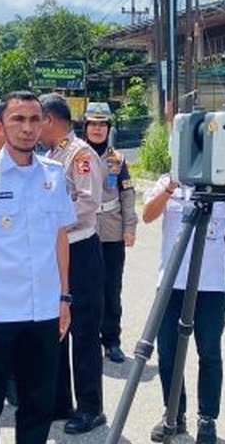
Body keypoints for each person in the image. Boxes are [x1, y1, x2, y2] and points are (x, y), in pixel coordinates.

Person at [0, 91, 74, 444]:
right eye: (18, 119)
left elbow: (60, 237)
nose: (27, 128)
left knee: (38, 405)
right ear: (1, 124)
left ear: (43, 124)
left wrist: (64, 297)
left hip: (44, 310)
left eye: (34, 119)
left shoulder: (54, 174)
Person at [143, 173, 225, 444]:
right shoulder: (168, 181)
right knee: (168, 353)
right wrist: (170, 188)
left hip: (211, 287)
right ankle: (174, 413)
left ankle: (207, 417)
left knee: (210, 353)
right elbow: (147, 215)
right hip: (171, 283)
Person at [38, 93, 107, 435]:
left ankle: (91, 407)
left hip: (80, 251)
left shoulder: (80, 154)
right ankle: (60, 401)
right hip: (56, 252)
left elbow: (88, 202)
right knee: (58, 327)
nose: (33, 128)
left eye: (37, 120)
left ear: (49, 120)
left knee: (84, 332)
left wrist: (52, 223)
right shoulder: (52, 155)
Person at [85, 101, 138, 363]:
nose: (97, 129)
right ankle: (87, 339)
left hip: (111, 233)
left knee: (111, 290)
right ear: (85, 127)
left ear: (108, 128)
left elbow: (127, 195)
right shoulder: (77, 155)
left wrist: (129, 228)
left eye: (102, 125)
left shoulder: (118, 160)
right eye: (93, 124)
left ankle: (112, 340)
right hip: (83, 233)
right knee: (85, 289)